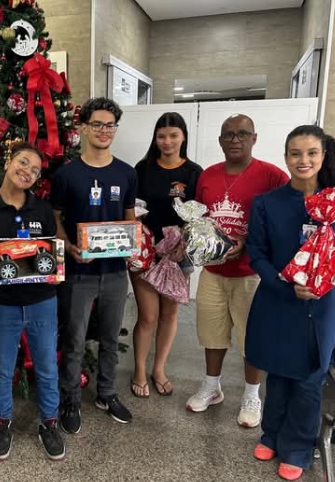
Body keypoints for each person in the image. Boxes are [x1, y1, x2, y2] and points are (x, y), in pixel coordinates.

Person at [245, 125, 335, 480]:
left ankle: (298, 447)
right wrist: (285, 285)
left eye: (312, 153)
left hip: (324, 304)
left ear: (323, 156)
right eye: (295, 153)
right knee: (279, 372)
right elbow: (257, 253)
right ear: (285, 158)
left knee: (311, 377)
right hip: (280, 300)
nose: (304, 160)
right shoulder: (268, 203)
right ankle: (271, 434)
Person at [186, 114, 288, 428]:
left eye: (242, 134)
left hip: (251, 273)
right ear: (219, 140)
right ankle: (212, 386)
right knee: (211, 334)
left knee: (252, 339)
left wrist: (251, 242)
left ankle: (251, 395)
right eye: (228, 134)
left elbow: (285, 219)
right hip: (214, 272)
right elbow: (198, 217)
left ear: (254, 138)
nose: (235, 139)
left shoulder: (272, 176)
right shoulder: (207, 176)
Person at [0, 142, 65, 461]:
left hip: (42, 301)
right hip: (2, 302)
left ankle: (49, 423)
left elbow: (52, 251)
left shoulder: (43, 210)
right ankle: (3, 423)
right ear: (9, 161)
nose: (28, 172)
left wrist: (57, 269)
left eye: (35, 170)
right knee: (2, 369)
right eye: (24, 163)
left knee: (47, 367)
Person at [51, 97, 137, 433]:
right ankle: (71, 397)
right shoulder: (67, 174)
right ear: (83, 128)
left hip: (115, 271)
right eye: (97, 124)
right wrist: (67, 245)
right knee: (74, 339)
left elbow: (129, 218)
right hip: (79, 272)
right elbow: (56, 218)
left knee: (110, 337)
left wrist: (134, 243)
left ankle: (106, 392)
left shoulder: (126, 173)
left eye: (110, 125)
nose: (104, 131)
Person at [131, 112, 203, 398]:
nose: (167, 141)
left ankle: (158, 368)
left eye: (174, 135)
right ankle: (138, 369)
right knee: (148, 316)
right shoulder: (143, 168)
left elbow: (199, 213)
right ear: (155, 138)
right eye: (162, 136)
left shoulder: (194, 172)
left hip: (178, 254)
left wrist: (182, 241)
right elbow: (131, 208)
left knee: (169, 315)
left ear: (183, 136)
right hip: (146, 251)